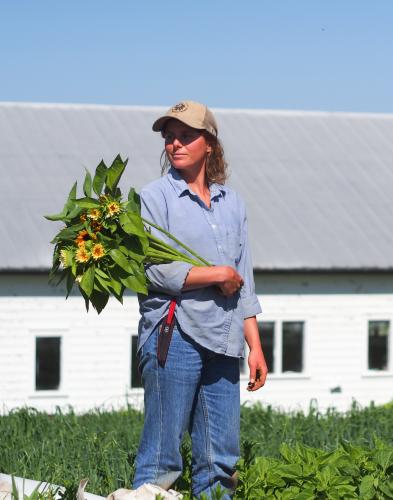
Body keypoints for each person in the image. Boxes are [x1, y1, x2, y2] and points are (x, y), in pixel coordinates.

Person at [133, 100, 267, 499]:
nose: (175, 144)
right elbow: (153, 270)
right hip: (175, 335)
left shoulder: (232, 203)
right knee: (162, 456)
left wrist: (254, 345)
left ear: (209, 143)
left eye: (186, 136)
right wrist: (216, 274)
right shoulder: (155, 198)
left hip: (225, 339)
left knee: (221, 459)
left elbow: (245, 279)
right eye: (169, 137)